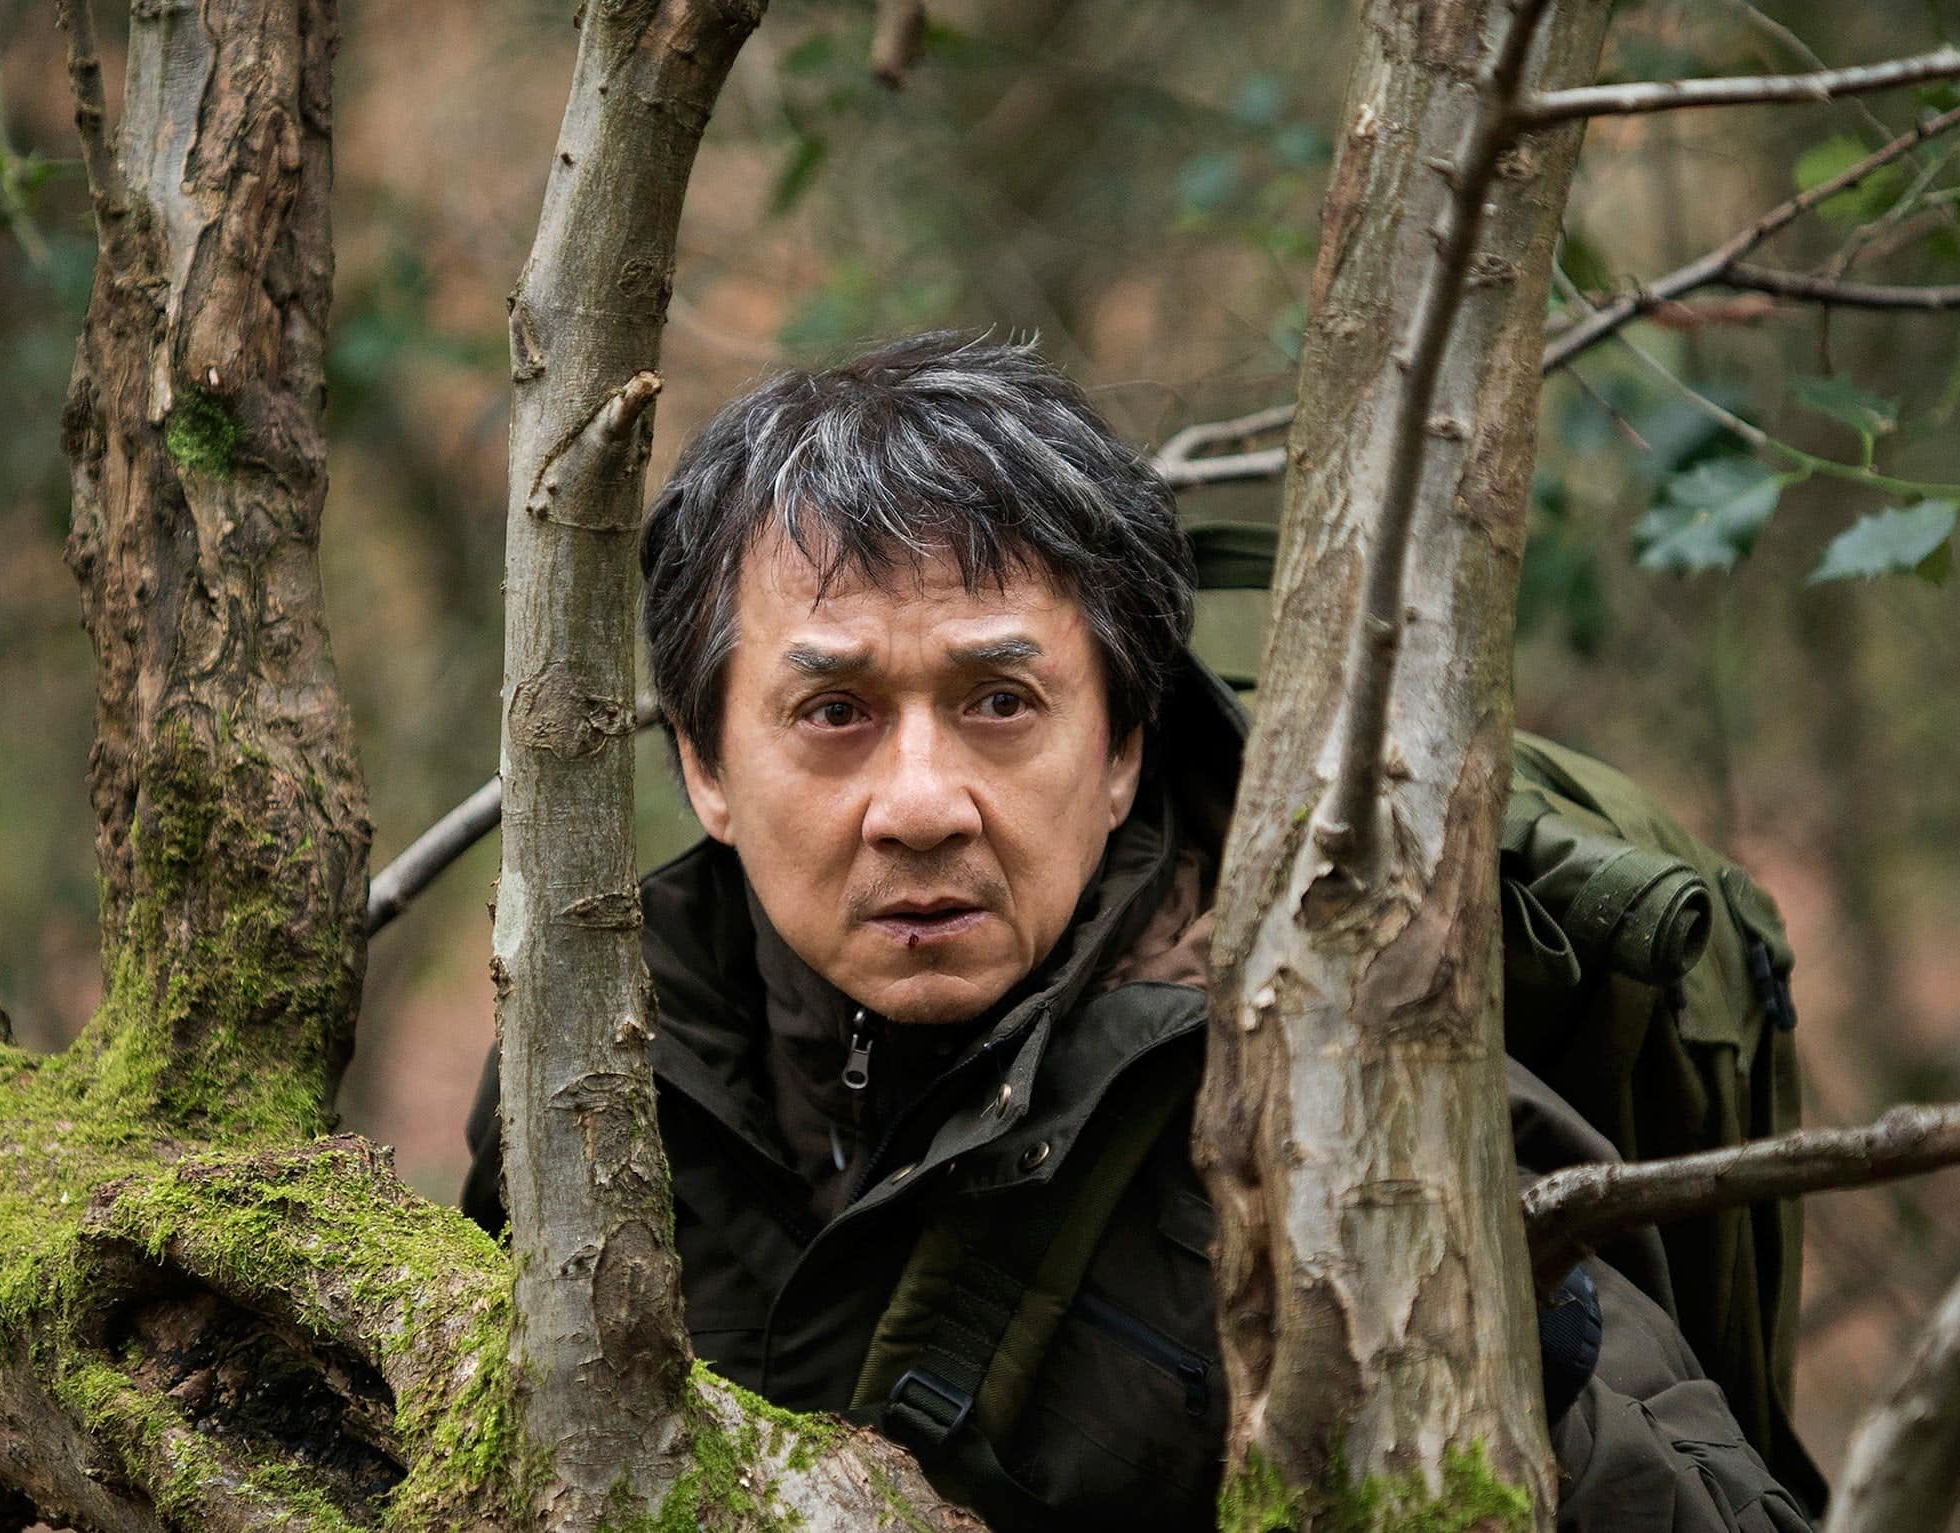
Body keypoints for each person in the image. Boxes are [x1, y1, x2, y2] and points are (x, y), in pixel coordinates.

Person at [463, 333, 1814, 1532]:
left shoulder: (1346, 1091)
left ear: (1120, 750)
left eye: (1000, 701)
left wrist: (1509, 1367)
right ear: (705, 765)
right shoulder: (601, 1061)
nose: (921, 806)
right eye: (835, 713)